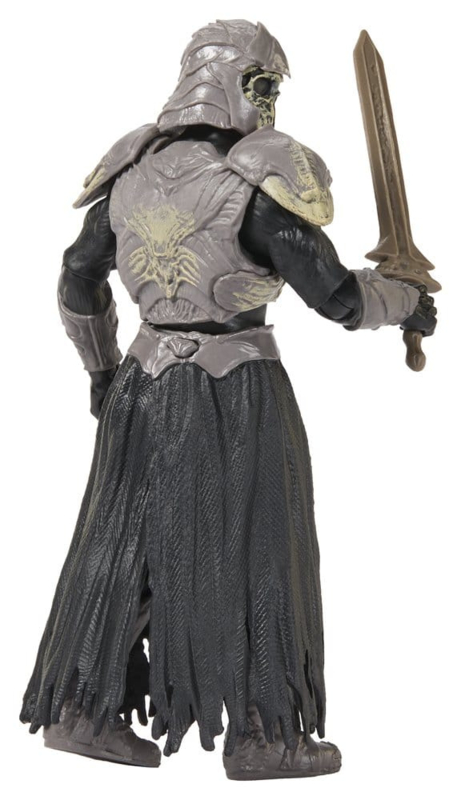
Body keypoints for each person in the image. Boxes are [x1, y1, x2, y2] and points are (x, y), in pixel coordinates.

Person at [20, 19, 436, 780]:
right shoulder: (258, 178)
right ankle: (263, 736)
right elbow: (338, 298)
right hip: (238, 384)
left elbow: (77, 278)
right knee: (256, 548)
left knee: (121, 544)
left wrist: (102, 372)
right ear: (253, 86)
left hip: (141, 382)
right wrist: (404, 300)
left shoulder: (129, 171)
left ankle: (83, 711)